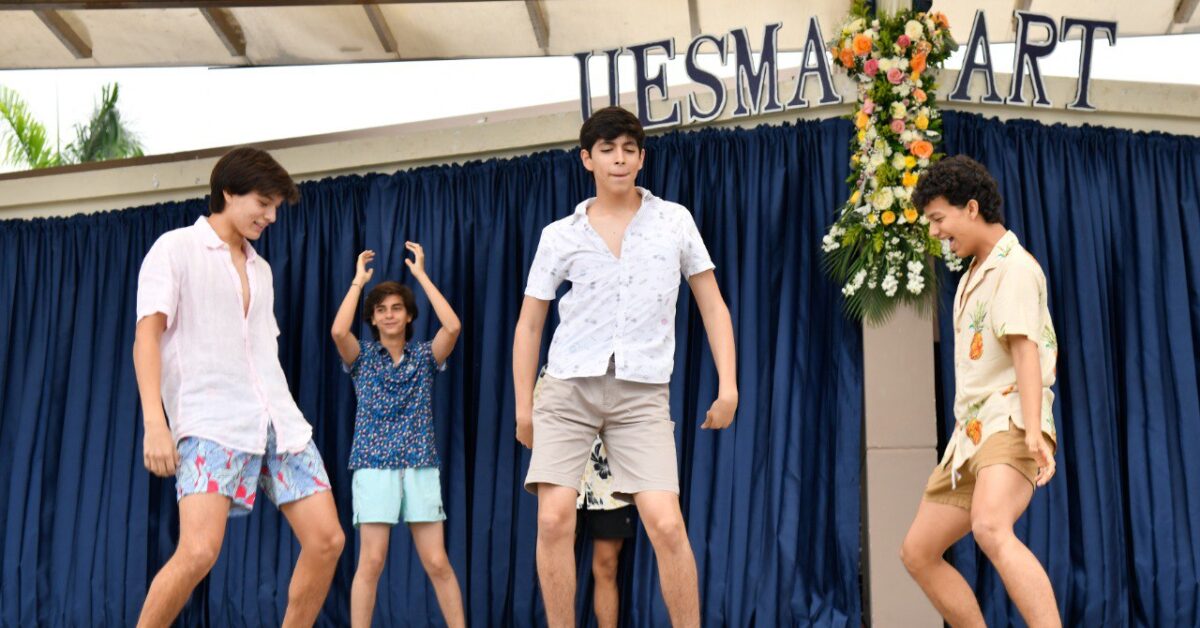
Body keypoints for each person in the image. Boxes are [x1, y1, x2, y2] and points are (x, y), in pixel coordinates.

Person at [512, 105, 738, 627]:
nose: (619, 159)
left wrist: (728, 386)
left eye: (629, 149)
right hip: (568, 389)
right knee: (553, 520)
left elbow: (712, 304)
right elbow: (529, 324)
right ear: (587, 159)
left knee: (667, 525)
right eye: (608, 149)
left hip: (641, 393)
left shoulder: (674, 221)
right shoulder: (560, 234)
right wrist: (524, 406)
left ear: (641, 158)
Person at [134, 147, 344, 628]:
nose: (271, 217)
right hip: (211, 419)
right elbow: (146, 337)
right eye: (263, 203)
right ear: (228, 192)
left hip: (279, 422)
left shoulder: (260, 269)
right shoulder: (175, 249)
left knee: (327, 540)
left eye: (275, 207)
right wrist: (154, 423)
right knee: (198, 551)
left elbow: (261, 351)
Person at [901, 155, 1061, 627]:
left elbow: (1025, 352)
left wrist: (1031, 430)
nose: (935, 232)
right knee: (918, 551)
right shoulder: (973, 273)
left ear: (971, 208)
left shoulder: (1014, 268)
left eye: (938, 219)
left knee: (990, 527)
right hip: (969, 436)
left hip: (1008, 418)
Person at [330, 244, 465, 628]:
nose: (389, 314)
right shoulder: (362, 357)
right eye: (381, 309)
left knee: (437, 561)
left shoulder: (424, 357)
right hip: (373, 468)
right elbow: (338, 330)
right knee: (371, 562)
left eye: (396, 308)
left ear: (408, 316)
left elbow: (453, 327)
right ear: (373, 318)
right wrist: (358, 283)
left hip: (420, 466)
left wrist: (420, 276)